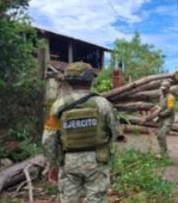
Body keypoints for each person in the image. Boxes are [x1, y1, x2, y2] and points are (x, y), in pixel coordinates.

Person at [42, 62, 120, 203]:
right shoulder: (103, 104)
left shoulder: (58, 106)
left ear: (69, 81)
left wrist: (53, 164)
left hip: (69, 162)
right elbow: (115, 132)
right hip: (97, 161)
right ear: (91, 79)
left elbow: (48, 140)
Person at [150, 80, 175, 158]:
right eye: (162, 88)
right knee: (159, 135)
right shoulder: (162, 95)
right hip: (162, 118)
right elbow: (161, 105)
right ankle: (162, 151)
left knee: (162, 134)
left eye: (164, 89)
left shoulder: (170, 98)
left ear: (168, 88)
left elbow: (169, 110)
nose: (163, 90)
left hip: (168, 119)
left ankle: (165, 154)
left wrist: (159, 114)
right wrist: (155, 107)